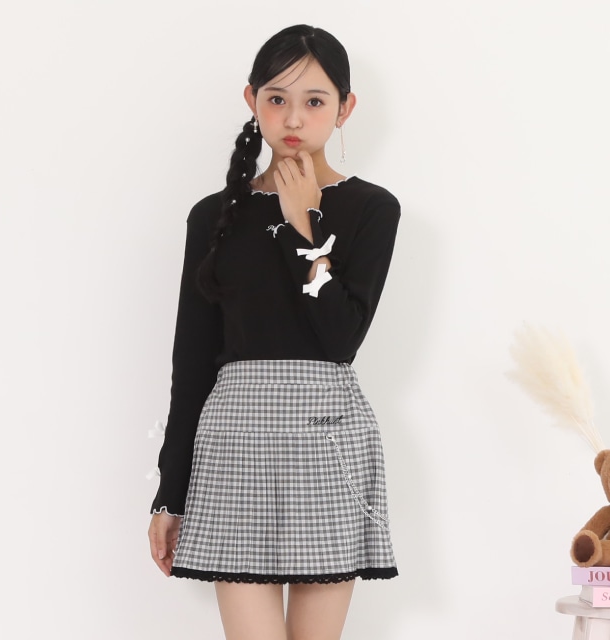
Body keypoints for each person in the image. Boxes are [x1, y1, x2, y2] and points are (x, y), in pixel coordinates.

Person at [148, 24, 400, 640]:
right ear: (252, 100)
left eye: (314, 100)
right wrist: (170, 493)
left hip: (328, 444)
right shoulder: (213, 216)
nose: (293, 118)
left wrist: (302, 225)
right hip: (234, 445)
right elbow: (191, 363)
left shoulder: (372, 208)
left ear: (345, 107)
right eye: (277, 98)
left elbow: (339, 339)